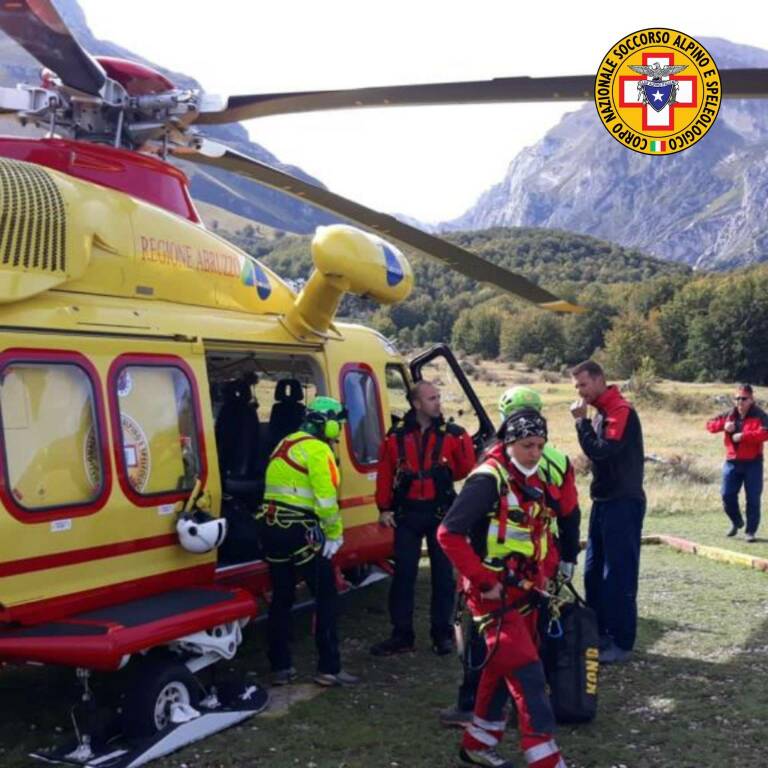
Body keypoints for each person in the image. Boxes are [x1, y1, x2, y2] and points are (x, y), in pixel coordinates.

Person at [440, 386, 581, 728]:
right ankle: (508, 719)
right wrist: (566, 558)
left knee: (488, 647)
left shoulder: (497, 463)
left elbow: (470, 526)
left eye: (538, 445)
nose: (533, 453)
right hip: (531, 568)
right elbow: (570, 512)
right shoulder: (557, 461)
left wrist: (476, 574)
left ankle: (475, 711)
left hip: (501, 571)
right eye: (528, 446)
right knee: (529, 644)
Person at [258, 395, 358, 687]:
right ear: (326, 423)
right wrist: (335, 533)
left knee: (282, 597)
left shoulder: (285, 443)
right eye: (337, 423)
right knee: (326, 596)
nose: (339, 429)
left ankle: (280, 667)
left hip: (271, 527)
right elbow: (326, 499)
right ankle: (329, 668)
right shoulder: (317, 450)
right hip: (300, 532)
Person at [370, 380, 475, 656]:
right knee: (403, 576)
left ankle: (442, 635)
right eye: (431, 398)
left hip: (440, 513)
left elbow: (466, 467)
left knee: (443, 577)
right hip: (407, 514)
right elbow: (384, 473)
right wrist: (383, 508)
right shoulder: (396, 436)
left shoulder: (454, 434)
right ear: (416, 404)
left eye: (438, 397)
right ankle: (402, 635)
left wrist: (440, 475)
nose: (437, 402)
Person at [570, 360, 645, 665]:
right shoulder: (602, 412)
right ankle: (599, 633)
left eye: (583, 385)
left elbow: (602, 450)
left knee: (618, 573)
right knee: (593, 573)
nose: (580, 392)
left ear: (600, 380)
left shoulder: (620, 411)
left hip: (623, 502)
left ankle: (621, 640)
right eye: (576, 387)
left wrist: (580, 424)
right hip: (603, 500)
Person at [706, 384, 768, 542]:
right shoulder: (729, 415)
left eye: (744, 398)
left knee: (753, 499)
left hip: (753, 463)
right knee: (727, 495)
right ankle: (737, 521)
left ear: (751, 399)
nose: (740, 401)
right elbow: (709, 425)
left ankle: (751, 532)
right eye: (737, 398)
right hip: (732, 462)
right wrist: (723, 426)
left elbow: (765, 433)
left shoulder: (760, 415)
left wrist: (744, 436)